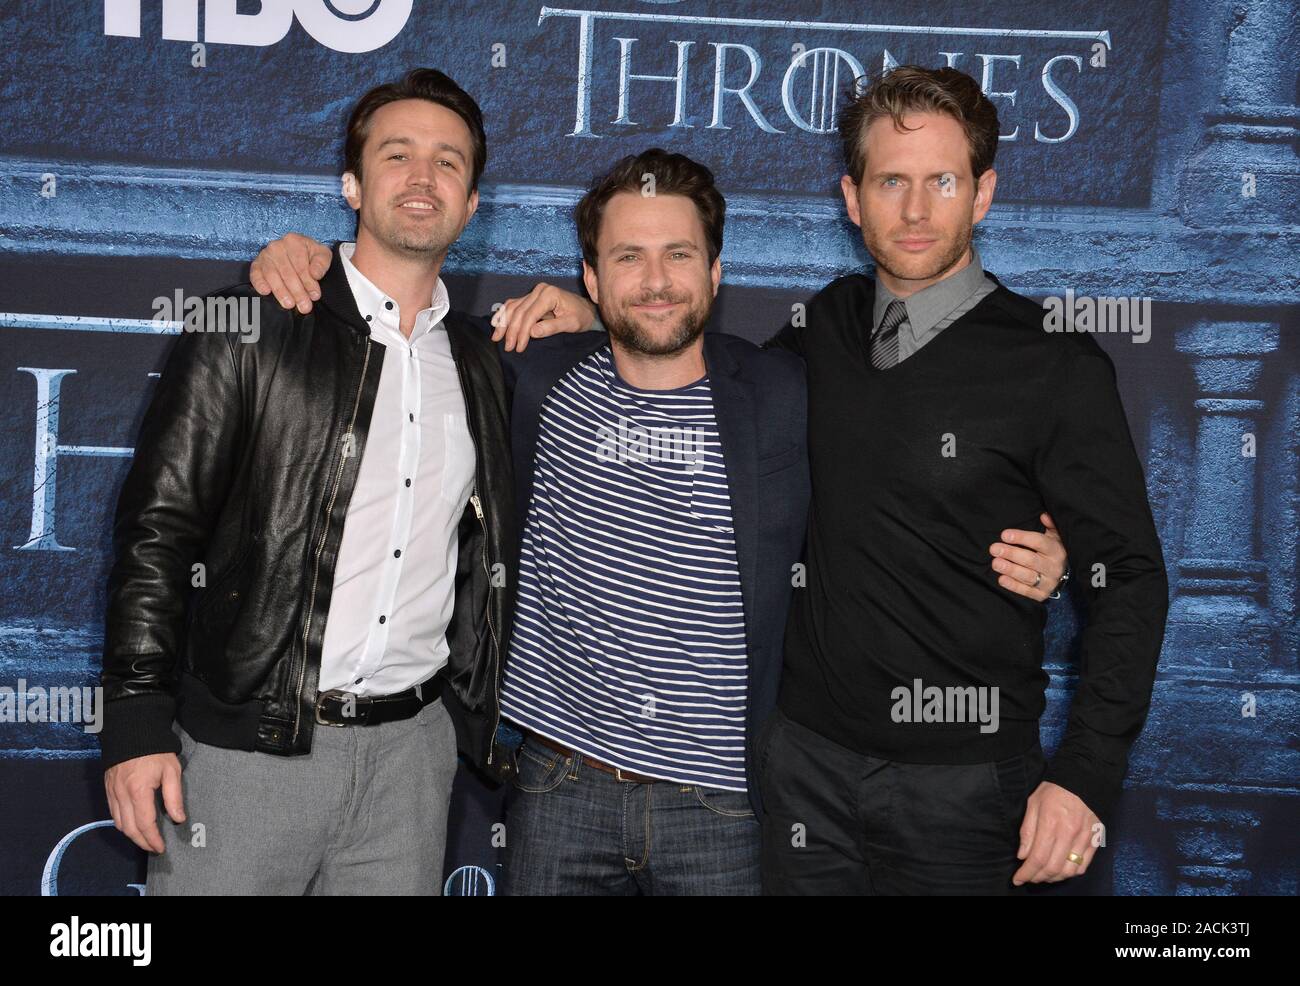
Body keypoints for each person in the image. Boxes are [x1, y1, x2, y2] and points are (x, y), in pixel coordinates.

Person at [100, 68, 518, 895]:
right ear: (353, 185)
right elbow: (159, 532)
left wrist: (580, 309)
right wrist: (136, 720)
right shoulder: (251, 327)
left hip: (413, 757)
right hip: (244, 751)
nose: (423, 177)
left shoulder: (482, 366)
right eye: (397, 155)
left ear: (472, 205)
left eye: (449, 162)